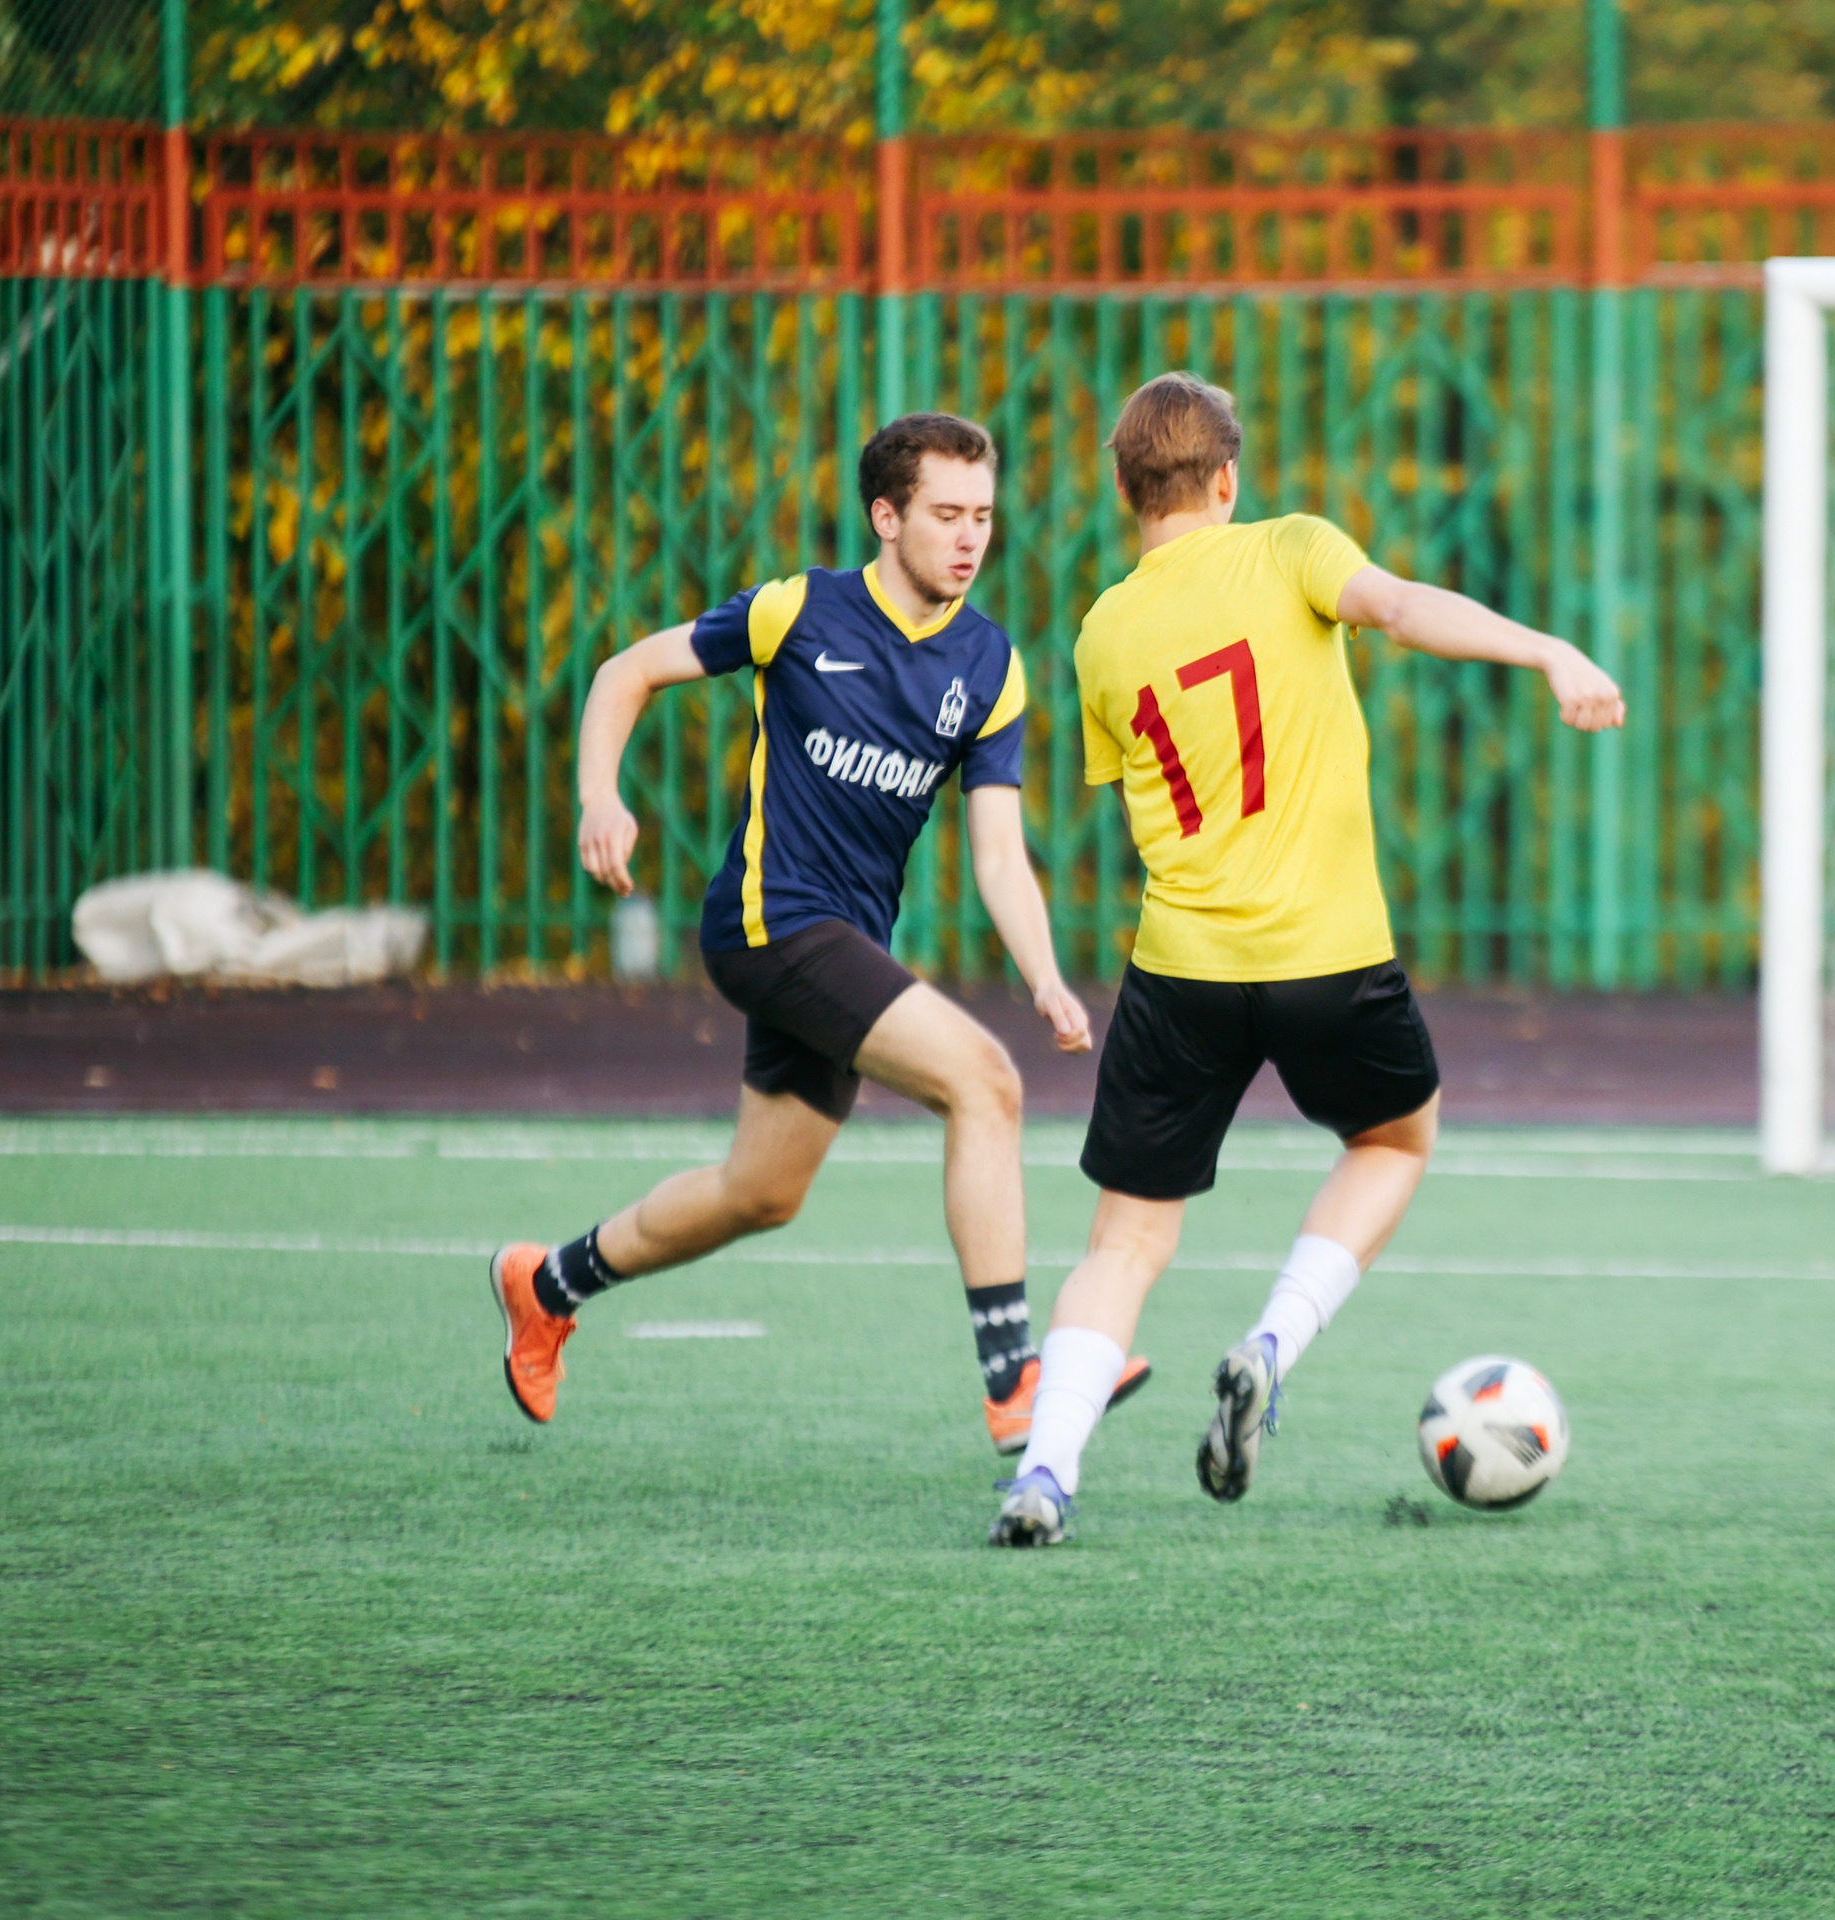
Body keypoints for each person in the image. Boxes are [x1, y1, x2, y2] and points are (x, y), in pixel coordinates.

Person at [988, 371, 1626, 1547]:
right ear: (1225, 479)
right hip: (1330, 956)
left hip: (1179, 970)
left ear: (1128, 491)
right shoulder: (1289, 548)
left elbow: (1137, 785)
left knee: (1125, 1241)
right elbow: (1399, 608)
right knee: (1394, 1139)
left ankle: (1044, 1473)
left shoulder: (1100, 632)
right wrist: (1546, 652)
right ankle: (1272, 1344)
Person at [489, 413, 1147, 1446]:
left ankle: (548, 1283)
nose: (970, 538)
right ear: (886, 517)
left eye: (983, 516)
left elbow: (994, 854)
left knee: (761, 1192)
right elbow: (626, 673)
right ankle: (1015, 1377)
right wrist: (598, 796)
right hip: (767, 921)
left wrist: (1044, 977)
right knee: (986, 1082)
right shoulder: (798, 611)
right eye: (944, 515)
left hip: (844, 949)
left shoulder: (989, 666)